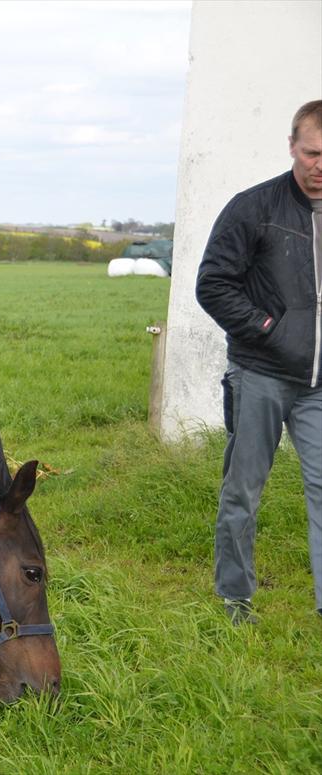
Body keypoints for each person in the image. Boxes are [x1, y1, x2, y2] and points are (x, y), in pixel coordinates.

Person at [196, 99, 322, 625]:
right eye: (312, 153)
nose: (320, 165)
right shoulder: (252, 208)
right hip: (260, 373)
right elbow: (213, 284)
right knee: (243, 491)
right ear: (292, 146)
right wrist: (269, 329)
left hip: (319, 384)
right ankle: (236, 599)